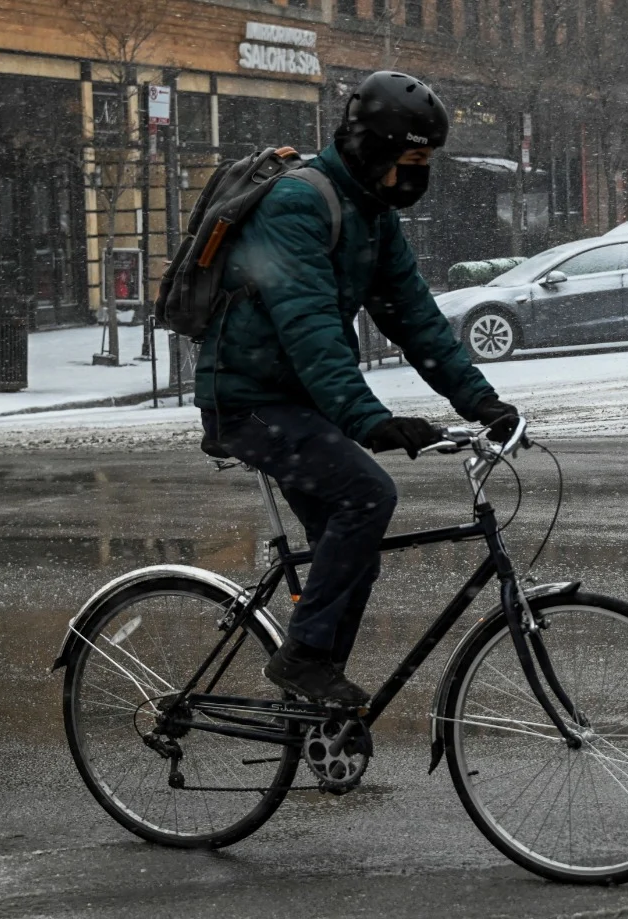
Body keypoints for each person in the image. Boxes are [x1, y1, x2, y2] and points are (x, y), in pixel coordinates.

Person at [195, 71, 519, 705]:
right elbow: (311, 326)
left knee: (354, 548)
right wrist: (370, 419)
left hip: (300, 401)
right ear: (376, 148)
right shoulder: (297, 204)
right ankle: (305, 659)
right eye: (412, 158)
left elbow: (415, 318)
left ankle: (315, 695)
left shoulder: (370, 215)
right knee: (367, 495)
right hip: (248, 400)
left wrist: (480, 400)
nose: (417, 175)